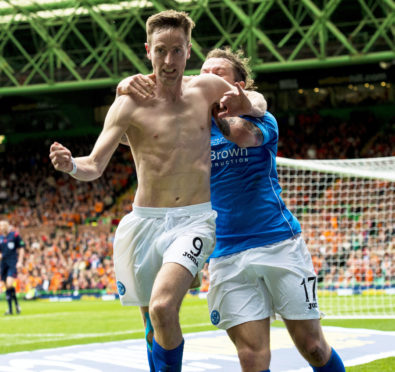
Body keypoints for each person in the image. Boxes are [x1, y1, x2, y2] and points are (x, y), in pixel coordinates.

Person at [49, 10, 266, 372]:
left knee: (164, 307)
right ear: (148, 50)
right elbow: (94, 165)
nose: (169, 60)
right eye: (161, 50)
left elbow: (258, 101)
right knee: (152, 328)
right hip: (144, 222)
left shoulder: (205, 89)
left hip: (194, 221)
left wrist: (246, 104)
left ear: (189, 51)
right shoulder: (128, 104)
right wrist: (71, 164)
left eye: (177, 50)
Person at [118, 47, 345, 372]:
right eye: (204, 71)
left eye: (218, 72)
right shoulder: (188, 131)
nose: (207, 76)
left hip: (279, 244)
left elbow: (242, 135)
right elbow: (136, 136)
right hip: (226, 255)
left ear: (238, 84)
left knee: (313, 348)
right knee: (251, 357)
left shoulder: (262, 119)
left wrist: (226, 111)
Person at [0, 220, 25, 315]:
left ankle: (13, 307)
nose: (0, 227)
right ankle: (13, 308)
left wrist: (20, 261)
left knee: (9, 284)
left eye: (2, 225)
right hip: (3, 264)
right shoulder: (0, 238)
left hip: (12, 262)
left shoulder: (14, 235)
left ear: (6, 226)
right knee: (7, 286)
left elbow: (21, 248)